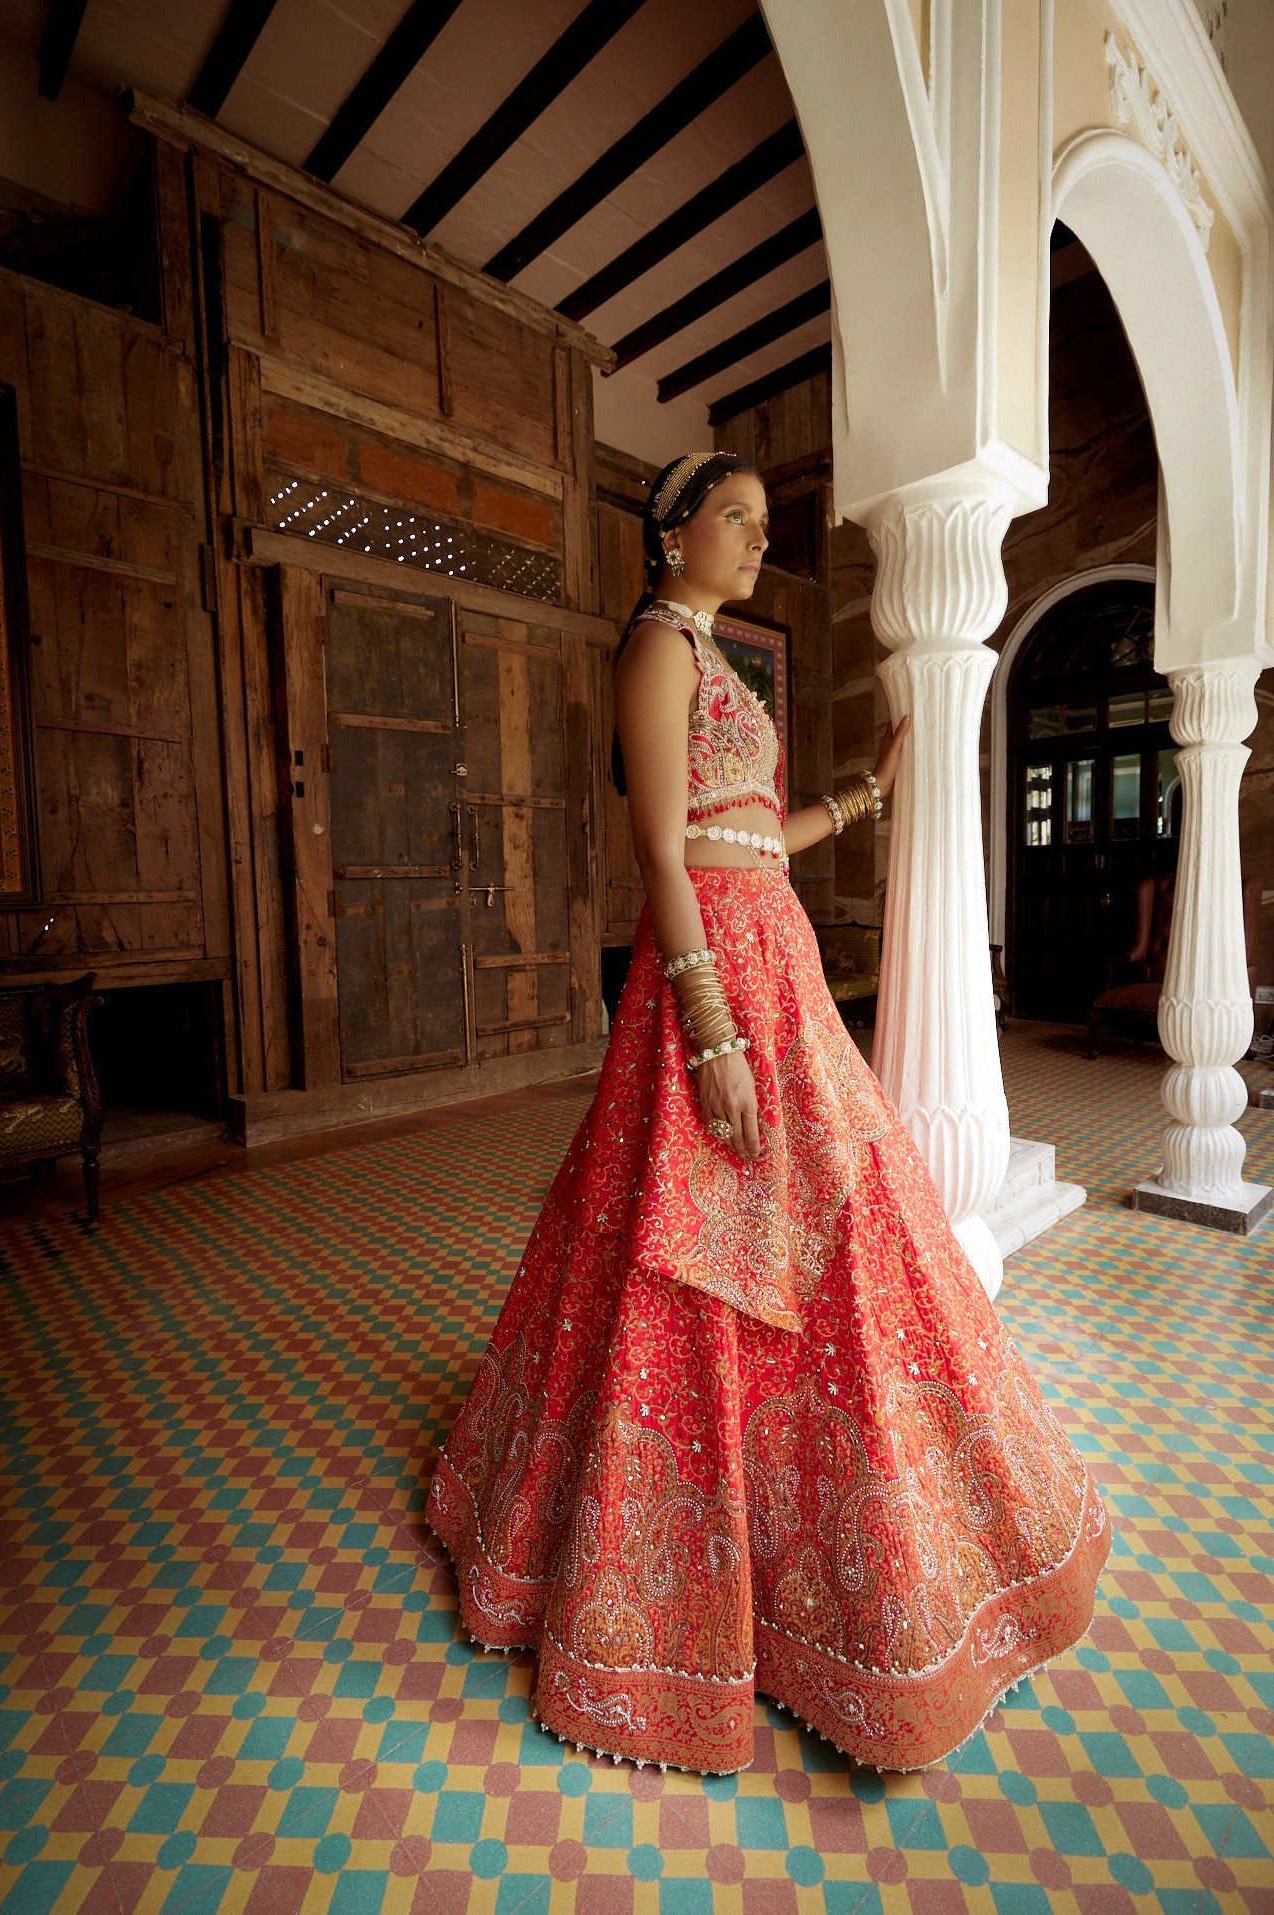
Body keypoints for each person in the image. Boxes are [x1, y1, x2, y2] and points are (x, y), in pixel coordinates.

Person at [425, 451, 1110, 1775]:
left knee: (844, 1222)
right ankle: (674, 1543)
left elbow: (743, 834)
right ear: (670, 531)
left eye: (759, 521)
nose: (752, 539)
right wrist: (709, 1027)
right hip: (715, 982)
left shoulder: (710, 651)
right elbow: (663, 856)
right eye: (731, 518)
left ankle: (835, 1521)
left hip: (773, 956)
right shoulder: (653, 649)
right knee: (692, 1237)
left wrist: (864, 794)